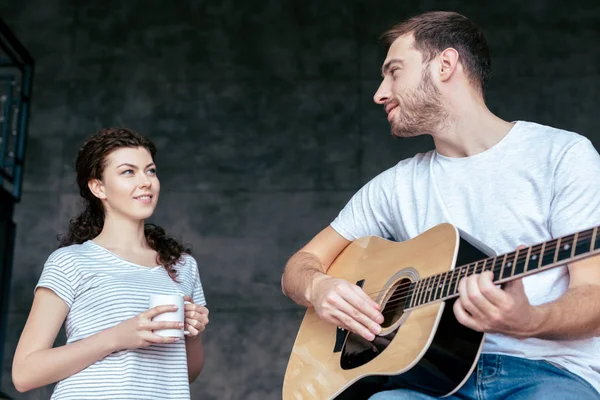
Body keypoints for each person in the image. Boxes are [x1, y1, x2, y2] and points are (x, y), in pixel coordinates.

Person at [281, 10, 600, 399]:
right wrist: (319, 286)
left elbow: (595, 294)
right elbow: (299, 266)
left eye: (394, 71)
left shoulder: (562, 155)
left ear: (445, 64)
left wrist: (530, 320)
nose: (379, 93)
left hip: (549, 376)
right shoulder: (395, 186)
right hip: (429, 383)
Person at [12, 127, 209, 399]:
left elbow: (186, 375)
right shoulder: (71, 262)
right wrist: (118, 336)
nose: (146, 182)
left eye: (150, 171)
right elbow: (24, 374)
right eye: (128, 172)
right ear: (98, 187)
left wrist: (194, 335)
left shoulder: (182, 266)